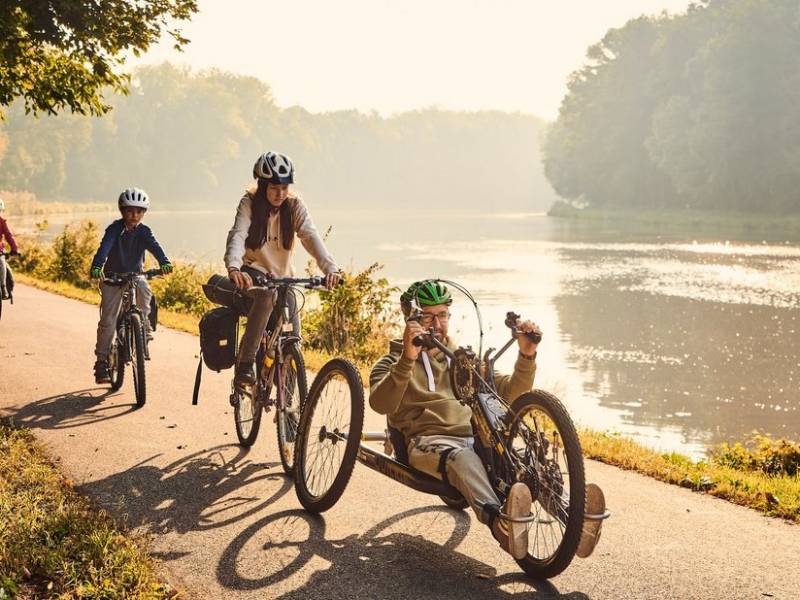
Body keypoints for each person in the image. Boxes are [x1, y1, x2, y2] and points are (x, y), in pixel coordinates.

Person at [369, 280, 605, 560]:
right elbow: (380, 402)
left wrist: (526, 355)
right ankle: (500, 523)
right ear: (410, 319)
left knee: (522, 463)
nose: (436, 324)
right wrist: (408, 359)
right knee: (462, 459)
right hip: (428, 443)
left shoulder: (463, 363)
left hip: (476, 438)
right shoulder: (391, 362)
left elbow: (510, 392)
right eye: (427, 316)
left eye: (442, 315)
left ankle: (573, 519)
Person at [224, 151, 340, 386]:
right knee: (266, 297)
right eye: (275, 187)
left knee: (293, 340)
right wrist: (235, 267)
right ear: (263, 184)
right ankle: (246, 365)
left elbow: (310, 235)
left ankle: (291, 411)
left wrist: (330, 269)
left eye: (285, 187)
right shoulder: (249, 203)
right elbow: (238, 234)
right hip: (253, 273)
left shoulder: (294, 206)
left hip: (283, 278)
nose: (281, 193)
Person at [89, 188, 173, 384]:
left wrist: (164, 262)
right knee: (108, 321)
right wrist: (97, 266)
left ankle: (143, 328)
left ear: (144, 213)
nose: (134, 215)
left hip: (136, 275)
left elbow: (155, 246)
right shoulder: (114, 229)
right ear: (122, 211)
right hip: (113, 277)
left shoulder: (144, 231)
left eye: (139, 211)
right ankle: (101, 362)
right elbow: (104, 248)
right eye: (129, 211)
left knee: (145, 290)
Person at [0, 198, 20, 300]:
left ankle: (3, 287)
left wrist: (15, 249)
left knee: (2, 264)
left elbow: (9, 236)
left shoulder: (2, 222)